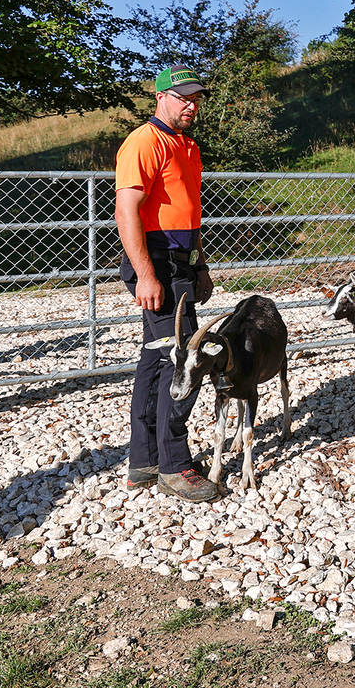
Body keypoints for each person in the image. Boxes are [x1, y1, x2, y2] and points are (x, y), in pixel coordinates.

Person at [114, 65, 221, 502]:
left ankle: (144, 461)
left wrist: (200, 266)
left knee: (155, 360)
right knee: (184, 359)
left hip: (180, 263)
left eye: (196, 98)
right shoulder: (145, 141)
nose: (191, 105)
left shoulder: (188, 147)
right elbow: (126, 212)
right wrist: (145, 274)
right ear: (160, 97)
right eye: (183, 97)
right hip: (156, 263)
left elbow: (189, 212)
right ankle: (175, 466)